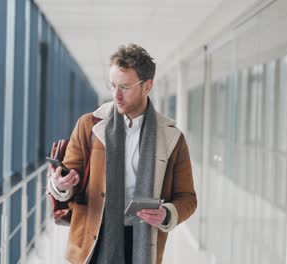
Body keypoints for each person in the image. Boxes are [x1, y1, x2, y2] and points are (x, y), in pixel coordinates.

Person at [47, 43, 197, 264]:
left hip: (142, 241)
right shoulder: (89, 125)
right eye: (113, 85)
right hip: (93, 237)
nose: (116, 95)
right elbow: (67, 178)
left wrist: (167, 213)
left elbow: (187, 198)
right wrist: (60, 185)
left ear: (147, 86)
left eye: (125, 87)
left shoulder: (172, 138)